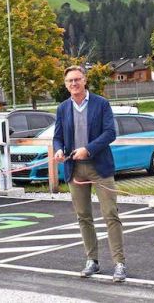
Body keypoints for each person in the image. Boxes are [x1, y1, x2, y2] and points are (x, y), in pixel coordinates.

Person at [53, 65, 126, 282]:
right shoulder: (62, 108)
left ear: (85, 80)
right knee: (83, 216)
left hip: (99, 167)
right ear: (66, 85)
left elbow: (110, 133)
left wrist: (89, 149)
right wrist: (58, 148)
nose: (73, 84)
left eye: (77, 79)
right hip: (74, 168)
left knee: (110, 214)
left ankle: (119, 263)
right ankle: (92, 260)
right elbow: (58, 136)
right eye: (69, 81)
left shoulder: (101, 104)